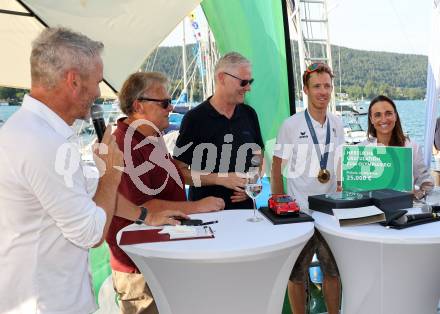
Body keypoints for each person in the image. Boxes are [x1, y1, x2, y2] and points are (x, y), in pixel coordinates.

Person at [0, 27, 184, 314]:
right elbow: (90, 233)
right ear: (73, 81)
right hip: (47, 303)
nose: (99, 93)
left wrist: (145, 215)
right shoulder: (41, 142)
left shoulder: (36, 131)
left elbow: (89, 189)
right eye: (97, 81)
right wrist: (111, 172)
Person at [106, 72, 225, 314]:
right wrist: (198, 206)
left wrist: (222, 178)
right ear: (139, 105)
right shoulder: (124, 144)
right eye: (164, 103)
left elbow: (175, 177)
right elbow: (142, 205)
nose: (170, 108)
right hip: (140, 267)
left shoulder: (152, 137)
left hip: (162, 255)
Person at [271, 62, 343, 314]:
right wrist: (279, 205)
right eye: (317, 87)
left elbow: (339, 163)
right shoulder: (290, 125)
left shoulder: (337, 123)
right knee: (297, 275)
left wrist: (343, 191)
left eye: (327, 86)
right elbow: (276, 167)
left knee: (332, 272)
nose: (323, 92)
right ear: (305, 89)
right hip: (299, 211)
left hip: (330, 211)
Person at [173, 52, 264, 209]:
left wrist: (252, 180)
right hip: (208, 215)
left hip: (246, 211)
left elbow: (257, 155)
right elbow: (179, 172)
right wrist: (220, 179)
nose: (248, 88)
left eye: (250, 82)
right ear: (222, 78)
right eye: (243, 82)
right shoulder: (194, 119)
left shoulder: (249, 114)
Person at [360, 95, 434, 197]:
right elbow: (353, 185)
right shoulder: (360, 149)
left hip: (403, 210)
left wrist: (417, 195)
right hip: (370, 210)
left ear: (395, 116)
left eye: (388, 113)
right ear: (371, 119)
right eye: (377, 115)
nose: (384, 119)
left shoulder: (411, 147)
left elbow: (427, 183)